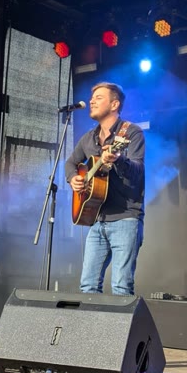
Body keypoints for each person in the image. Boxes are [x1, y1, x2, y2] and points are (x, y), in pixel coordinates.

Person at [65, 81, 145, 296]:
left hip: (125, 218)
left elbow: (138, 170)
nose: (91, 101)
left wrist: (118, 160)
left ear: (114, 104)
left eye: (99, 97)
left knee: (121, 287)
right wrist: (73, 178)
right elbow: (70, 163)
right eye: (92, 97)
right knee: (88, 286)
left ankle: (121, 330)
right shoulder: (88, 138)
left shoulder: (131, 132)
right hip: (96, 219)